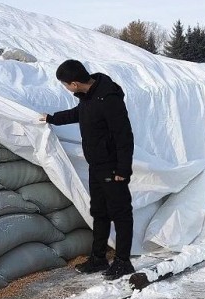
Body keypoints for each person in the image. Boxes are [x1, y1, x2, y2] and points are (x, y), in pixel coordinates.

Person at [40, 59, 135, 280]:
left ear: (74, 84)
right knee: (99, 212)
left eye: (65, 84)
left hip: (112, 167)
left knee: (120, 213)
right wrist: (52, 119)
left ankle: (123, 261)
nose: (66, 88)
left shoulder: (108, 99)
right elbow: (79, 113)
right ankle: (98, 258)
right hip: (96, 166)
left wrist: (123, 170)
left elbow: (124, 135)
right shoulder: (88, 97)